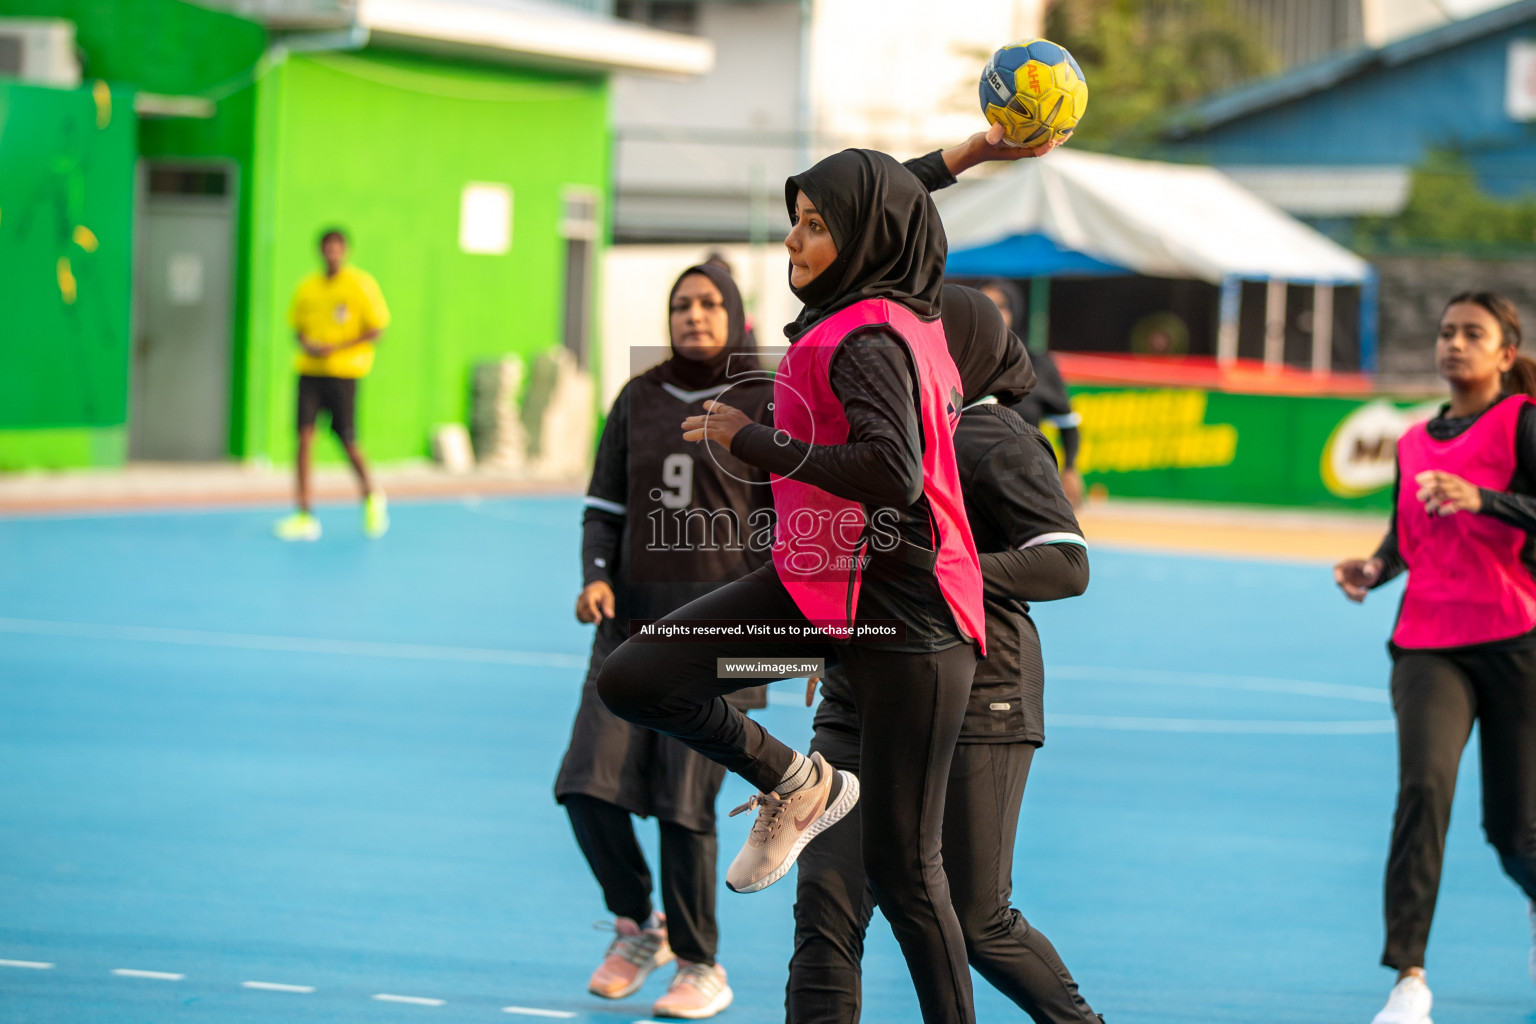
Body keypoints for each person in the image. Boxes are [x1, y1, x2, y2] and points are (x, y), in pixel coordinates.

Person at [596, 127, 1059, 1024]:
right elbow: (889, 199)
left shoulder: (873, 341)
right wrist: (966, 154)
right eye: (795, 221)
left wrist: (754, 442)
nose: (791, 241)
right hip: (824, 594)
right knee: (639, 674)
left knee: (905, 869)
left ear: (858, 242)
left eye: (811, 226)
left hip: (910, 621)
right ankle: (796, 780)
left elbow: (891, 471)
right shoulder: (887, 309)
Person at [787, 284, 1101, 1024]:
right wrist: (814, 633)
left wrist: (949, 569)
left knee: (975, 919)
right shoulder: (887, 436)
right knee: (826, 910)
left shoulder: (997, 440)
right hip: (860, 697)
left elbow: (1067, 563)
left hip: (980, 700)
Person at [555, 263, 771, 1019]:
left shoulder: (767, 400)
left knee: (685, 806)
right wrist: (596, 575)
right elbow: (600, 508)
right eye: (681, 304)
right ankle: (638, 924)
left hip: (720, 638)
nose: (694, 314)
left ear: (736, 315)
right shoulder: (637, 398)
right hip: (628, 632)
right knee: (586, 787)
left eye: (710, 303)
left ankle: (703, 965)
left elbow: (793, 527)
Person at [1333, 292, 1536, 1024]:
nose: (1454, 343)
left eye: (1471, 333)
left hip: (1515, 640)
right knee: (1424, 791)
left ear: (1504, 354)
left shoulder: (1523, 422)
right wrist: (1375, 568)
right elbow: (1406, 537)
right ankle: (1408, 981)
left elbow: (1504, 507)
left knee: (1514, 832)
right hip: (1427, 643)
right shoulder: (1414, 440)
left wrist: (1487, 500)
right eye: (1446, 331)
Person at [274, 229, 390, 542]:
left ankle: (371, 495)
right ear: (320, 251)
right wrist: (308, 345)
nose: (332, 254)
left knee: (348, 441)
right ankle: (304, 513)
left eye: (338, 248)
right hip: (310, 373)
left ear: (346, 251)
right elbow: (296, 329)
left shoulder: (360, 285)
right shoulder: (307, 288)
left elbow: (377, 329)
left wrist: (337, 348)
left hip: (344, 374)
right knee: (304, 438)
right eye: (327, 248)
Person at [978, 280, 1084, 508]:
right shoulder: (962, 361)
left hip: (1024, 483)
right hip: (972, 483)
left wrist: (1070, 468)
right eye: (985, 304)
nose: (993, 312)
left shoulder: (1038, 366)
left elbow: (1067, 424)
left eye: (1001, 305)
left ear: (1015, 311)